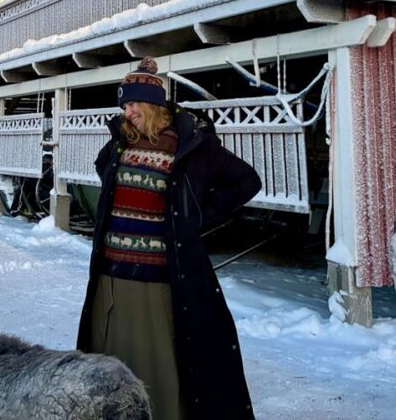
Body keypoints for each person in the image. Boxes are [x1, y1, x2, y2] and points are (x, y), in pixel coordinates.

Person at [76, 57, 261, 420]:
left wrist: (197, 216)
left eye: (132, 104)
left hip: (158, 278)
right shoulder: (120, 142)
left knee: (157, 367)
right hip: (112, 274)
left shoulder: (190, 145)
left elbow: (247, 181)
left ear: (152, 104)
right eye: (124, 105)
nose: (127, 112)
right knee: (111, 363)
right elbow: (104, 169)